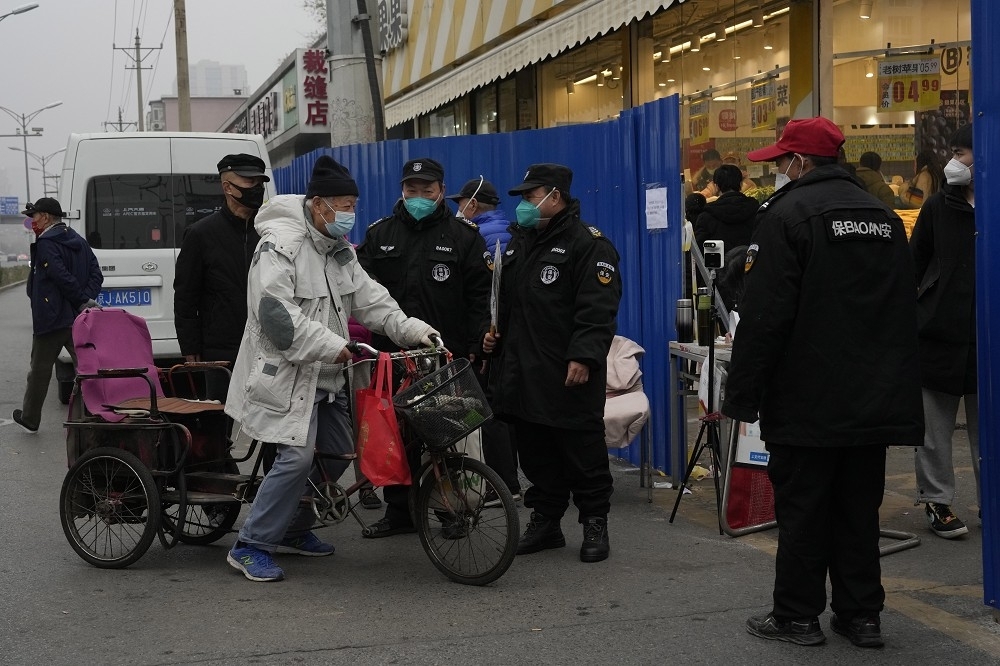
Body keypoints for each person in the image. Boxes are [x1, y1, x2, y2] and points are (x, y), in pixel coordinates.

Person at [723, 117, 923, 648]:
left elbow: (764, 317)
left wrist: (740, 393)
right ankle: (861, 616)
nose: (777, 171)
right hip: (872, 397)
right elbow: (905, 308)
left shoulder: (788, 215)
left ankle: (796, 616)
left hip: (806, 395)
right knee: (859, 510)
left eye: (781, 162)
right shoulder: (883, 216)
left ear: (801, 163)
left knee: (804, 509)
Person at [225, 156, 438, 582]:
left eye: (353, 205)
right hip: (284, 376)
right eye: (342, 205)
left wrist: (414, 331)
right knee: (296, 459)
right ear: (318, 204)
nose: (349, 215)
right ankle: (251, 543)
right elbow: (277, 317)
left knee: (340, 455)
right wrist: (335, 345)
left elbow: (371, 299)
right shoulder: (279, 247)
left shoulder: (337, 250)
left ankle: (295, 529)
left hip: (326, 378)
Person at [483, 163, 622, 563]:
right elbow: (501, 301)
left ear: (554, 197)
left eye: (529, 196)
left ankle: (595, 522)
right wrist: (489, 331)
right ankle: (546, 522)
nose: (524, 205)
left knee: (582, 451)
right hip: (523, 371)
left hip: (567, 371)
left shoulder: (589, 244)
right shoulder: (517, 242)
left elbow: (598, 308)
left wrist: (584, 355)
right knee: (536, 452)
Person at [357, 157, 491, 538]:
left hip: (444, 357)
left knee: (446, 433)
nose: (418, 196)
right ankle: (400, 512)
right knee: (395, 436)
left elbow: (480, 298)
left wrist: (474, 346)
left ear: (441, 192)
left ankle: (452, 512)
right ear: (402, 189)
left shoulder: (463, 236)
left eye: (426, 190)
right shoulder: (380, 233)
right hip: (391, 357)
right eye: (411, 189)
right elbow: (359, 291)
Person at [910, 124, 979, 538]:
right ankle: (938, 501)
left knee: (988, 429)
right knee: (933, 428)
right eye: (955, 152)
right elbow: (914, 264)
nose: (956, 161)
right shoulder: (938, 207)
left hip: (986, 334)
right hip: (938, 329)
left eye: (965, 153)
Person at [446, 177, 522, 502]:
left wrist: (480, 342)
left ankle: (502, 485)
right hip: (510, 337)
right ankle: (509, 482)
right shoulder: (509, 230)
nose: (459, 210)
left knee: (486, 412)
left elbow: (486, 296)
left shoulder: (480, 236)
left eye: (460, 204)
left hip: (491, 338)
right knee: (501, 411)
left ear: (473, 205)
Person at [174, 153, 269, 399]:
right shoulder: (201, 234)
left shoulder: (270, 232)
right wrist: (190, 345)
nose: (257, 189)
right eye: (250, 183)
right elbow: (186, 295)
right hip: (221, 350)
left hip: (268, 347)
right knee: (222, 424)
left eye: (260, 183)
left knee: (267, 425)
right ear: (227, 187)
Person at [13, 198, 104, 434]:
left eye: (34, 216)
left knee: (39, 371)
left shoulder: (46, 243)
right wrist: (85, 300)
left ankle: (30, 418)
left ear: (45, 216)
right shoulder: (79, 240)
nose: (32, 221)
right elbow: (96, 273)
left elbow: (60, 275)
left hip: (52, 319)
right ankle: (98, 415)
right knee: (88, 369)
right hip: (78, 318)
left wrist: (79, 299)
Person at [693, 164, 759, 263]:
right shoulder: (756, 210)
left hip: (718, 275)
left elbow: (699, 253)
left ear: (716, 186)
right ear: (741, 184)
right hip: (751, 271)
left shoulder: (706, 216)